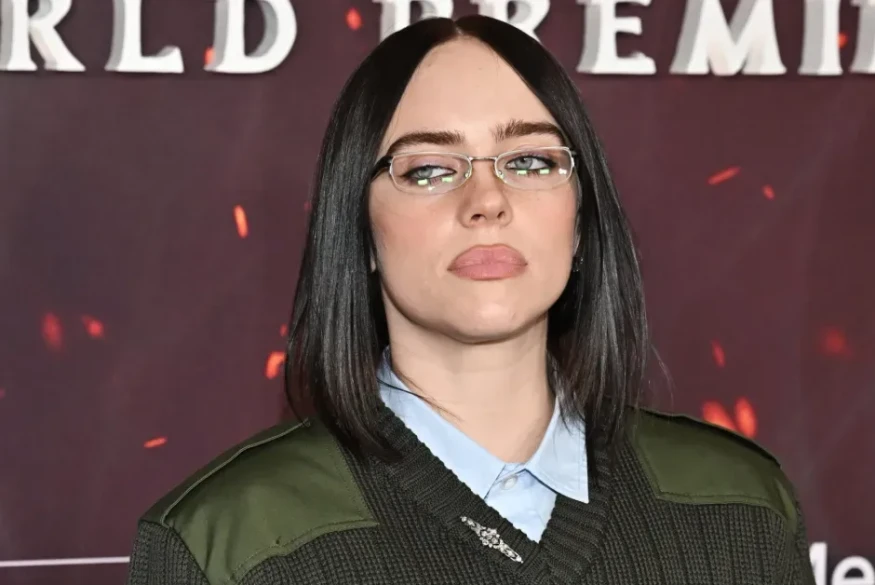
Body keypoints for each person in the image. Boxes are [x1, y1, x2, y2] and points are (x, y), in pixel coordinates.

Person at [124, 15, 816, 585]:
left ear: (580, 220)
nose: (487, 200)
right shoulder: (233, 540)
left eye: (530, 161)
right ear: (359, 228)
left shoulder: (740, 506)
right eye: (429, 169)